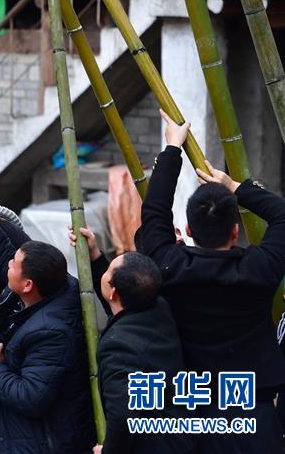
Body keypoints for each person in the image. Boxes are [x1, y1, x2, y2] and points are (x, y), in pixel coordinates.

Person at [136, 110, 285, 453]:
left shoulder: (169, 265)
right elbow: (282, 215)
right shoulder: (259, 269)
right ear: (235, 230)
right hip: (254, 411)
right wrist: (236, 187)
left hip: (192, 411)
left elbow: (154, 211)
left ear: (188, 230)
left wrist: (172, 149)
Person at [0, 190, 95, 454]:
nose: (8, 263)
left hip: (42, 443)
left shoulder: (51, 332)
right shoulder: (51, 287)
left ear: (27, 285)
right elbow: (2, 255)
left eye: (14, 264)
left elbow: (31, 397)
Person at [72, 227, 194, 454]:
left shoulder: (118, 347)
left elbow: (123, 415)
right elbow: (119, 302)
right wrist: (95, 255)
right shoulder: (158, 306)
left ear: (113, 292)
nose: (104, 274)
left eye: (107, 272)